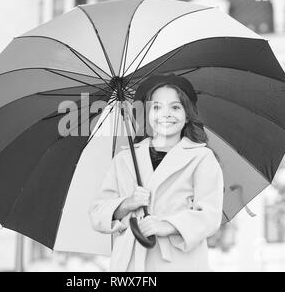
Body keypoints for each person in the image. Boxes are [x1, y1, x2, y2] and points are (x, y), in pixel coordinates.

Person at [88, 73, 224, 272]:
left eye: (175, 107)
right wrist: (127, 204)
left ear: (187, 115)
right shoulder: (125, 159)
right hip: (130, 265)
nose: (166, 114)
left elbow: (209, 216)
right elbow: (97, 213)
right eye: (157, 107)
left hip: (180, 263)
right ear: (147, 114)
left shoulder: (202, 158)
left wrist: (166, 225)